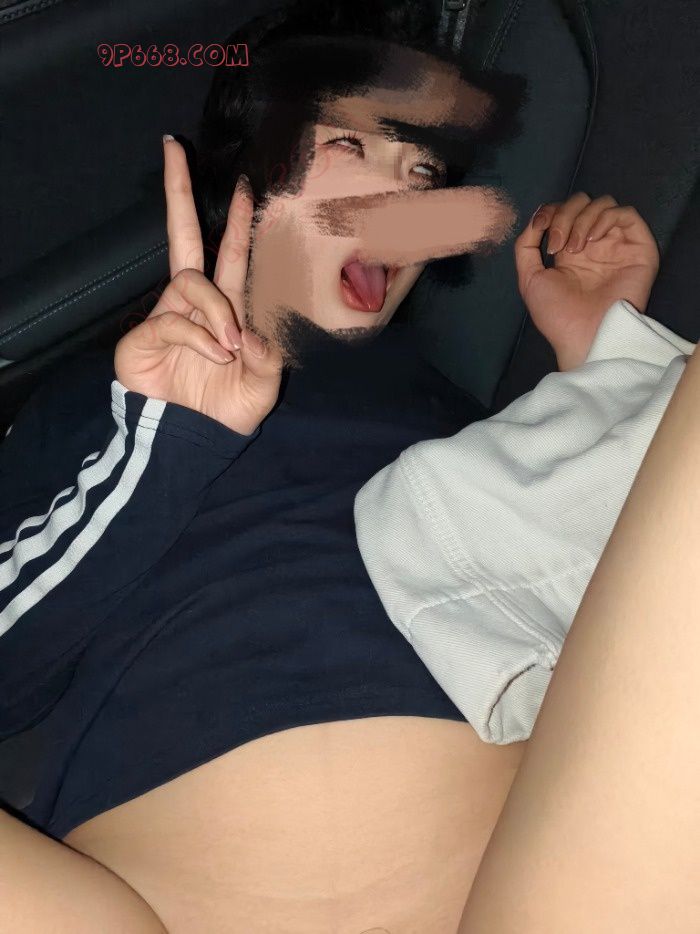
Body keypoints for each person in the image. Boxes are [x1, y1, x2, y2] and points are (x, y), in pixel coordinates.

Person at [0, 4, 676, 933]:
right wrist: (162, 442)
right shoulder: (108, 393)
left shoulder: (454, 419)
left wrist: (604, 358)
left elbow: (627, 613)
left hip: (543, 884)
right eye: (352, 146)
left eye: (426, 174)